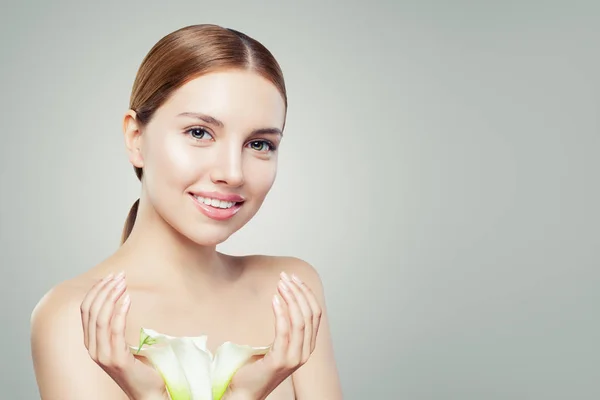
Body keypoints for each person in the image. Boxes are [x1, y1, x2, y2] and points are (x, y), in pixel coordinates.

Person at [30, 24, 343, 400]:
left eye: (259, 143)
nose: (232, 172)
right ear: (135, 139)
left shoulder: (290, 289)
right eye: (199, 133)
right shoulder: (74, 316)